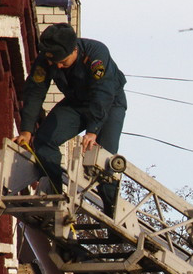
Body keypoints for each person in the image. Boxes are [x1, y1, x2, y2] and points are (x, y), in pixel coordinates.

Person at [17, 23, 128, 216]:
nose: (58, 67)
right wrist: (26, 131)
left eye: (64, 62)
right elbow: (35, 92)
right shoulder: (47, 59)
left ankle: (112, 214)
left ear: (74, 50)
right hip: (76, 104)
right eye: (55, 63)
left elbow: (102, 94)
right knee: (44, 140)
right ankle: (56, 195)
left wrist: (92, 130)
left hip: (109, 105)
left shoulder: (96, 55)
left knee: (102, 161)